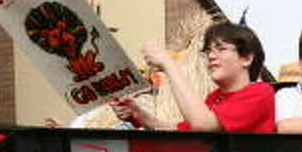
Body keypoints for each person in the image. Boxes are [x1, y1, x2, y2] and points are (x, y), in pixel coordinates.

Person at [108, 21, 275, 133]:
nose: (211, 56)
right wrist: (139, 114)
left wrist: (169, 65)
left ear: (246, 58)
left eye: (221, 49)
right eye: (208, 51)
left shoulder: (260, 92)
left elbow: (203, 126)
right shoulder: (214, 97)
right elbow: (179, 133)